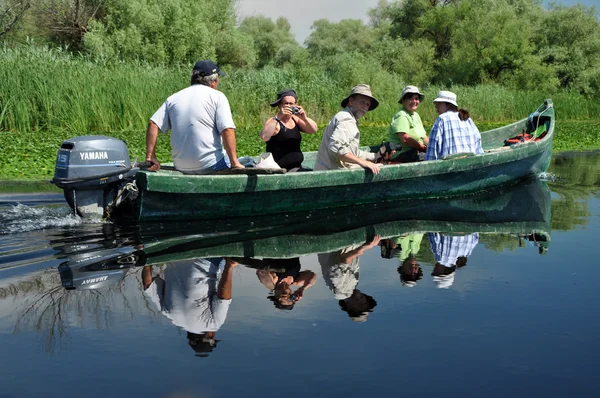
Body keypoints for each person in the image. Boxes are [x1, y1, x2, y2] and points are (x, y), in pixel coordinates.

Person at [144, 59, 244, 174]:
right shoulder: (218, 97)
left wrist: (150, 156)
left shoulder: (173, 98)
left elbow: (153, 123)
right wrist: (235, 163)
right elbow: (227, 129)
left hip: (181, 166)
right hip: (211, 164)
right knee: (247, 161)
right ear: (214, 81)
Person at [141, 257, 238, 356]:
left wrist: (229, 266)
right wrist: (147, 259)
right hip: (174, 258)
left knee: (225, 266)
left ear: (210, 335)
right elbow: (147, 285)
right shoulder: (170, 315)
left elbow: (223, 297)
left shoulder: (213, 325)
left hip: (205, 260)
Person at [314, 84, 383, 174]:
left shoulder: (346, 116)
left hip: (327, 172)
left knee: (378, 164)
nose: (365, 107)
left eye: (367, 104)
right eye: (362, 102)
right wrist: (363, 162)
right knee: (381, 167)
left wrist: (375, 156)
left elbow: (351, 152)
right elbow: (336, 148)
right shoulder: (347, 119)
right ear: (351, 101)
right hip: (331, 176)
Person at [318, 235, 380, 322]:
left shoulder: (342, 291)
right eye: (365, 303)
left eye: (360, 306)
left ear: (349, 308)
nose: (362, 301)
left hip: (332, 237)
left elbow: (344, 259)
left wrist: (362, 249)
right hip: (341, 238)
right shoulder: (353, 284)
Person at [259, 89, 318, 171]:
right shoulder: (274, 121)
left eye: (291, 104)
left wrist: (304, 118)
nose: (289, 106)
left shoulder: (296, 119)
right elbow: (264, 136)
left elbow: (313, 129)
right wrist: (279, 116)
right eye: (286, 103)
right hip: (280, 169)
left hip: (297, 166)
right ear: (280, 105)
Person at [424, 91, 483, 161]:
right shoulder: (468, 120)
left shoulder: (442, 119)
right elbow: (478, 147)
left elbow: (432, 151)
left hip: (448, 167)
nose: (436, 106)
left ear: (448, 104)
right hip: (470, 163)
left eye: (439, 103)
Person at [247, 257, 316, 310]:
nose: (285, 298)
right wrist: (303, 289)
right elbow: (312, 275)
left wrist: (268, 279)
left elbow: (261, 272)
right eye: (289, 299)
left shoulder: (272, 282)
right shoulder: (295, 280)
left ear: (275, 296)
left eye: (281, 299)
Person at [387, 85, 429, 163]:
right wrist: (423, 148)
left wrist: (431, 147)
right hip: (402, 154)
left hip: (416, 151)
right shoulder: (401, 115)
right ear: (403, 101)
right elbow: (405, 139)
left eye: (416, 98)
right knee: (429, 157)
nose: (414, 101)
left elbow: (424, 137)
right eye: (410, 98)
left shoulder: (415, 115)